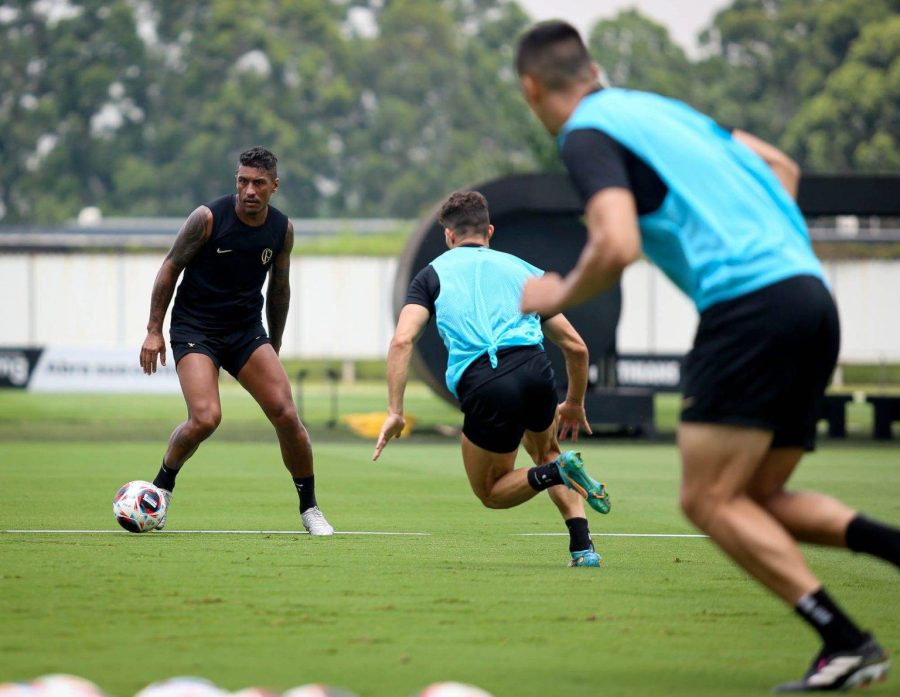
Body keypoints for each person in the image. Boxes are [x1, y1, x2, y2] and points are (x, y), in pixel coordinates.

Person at [515, 20, 899, 691]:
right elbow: (783, 166)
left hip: (749, 308)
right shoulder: (667, 112)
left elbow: (615, 244)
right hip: (809, 294)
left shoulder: (584, 134)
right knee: (756, 497)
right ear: (594, 67)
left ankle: (845, 640)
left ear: (530, 87)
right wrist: (761, 244)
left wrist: (557, 292)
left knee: (707, 498)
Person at [372, 190, 610, 567]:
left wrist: (395, 411)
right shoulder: (525, 271)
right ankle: (583, 548)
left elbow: (402, 341)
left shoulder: (431, 275)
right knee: (547, 448)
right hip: (536, 371)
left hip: (487, 381)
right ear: (490, 231)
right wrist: (575, 404)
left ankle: (555, 472)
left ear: (449, 236)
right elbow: (576, 348)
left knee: (492, 491)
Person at [139, 146, 333, 536]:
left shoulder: (282, 230)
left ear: (274, 186)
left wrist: (273, 345)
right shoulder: (207, 218)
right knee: (206, 419)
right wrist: (154, 329)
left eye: (258, 183)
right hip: (196, 329)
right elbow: (170, 269)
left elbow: (280, 289)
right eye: (243, 181)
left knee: (287, 414)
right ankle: (161, 490)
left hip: (245, 331)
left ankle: (310, 508)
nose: (249, 190)